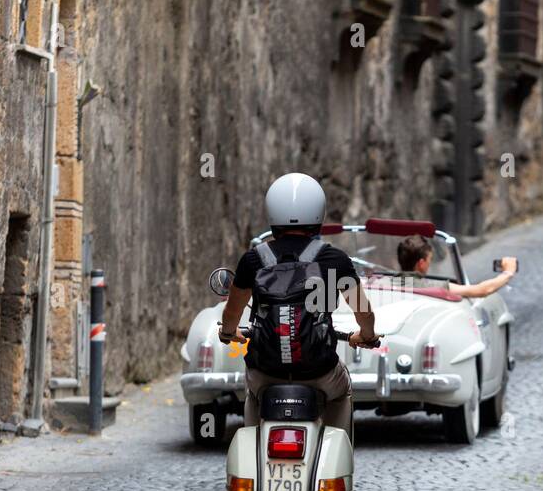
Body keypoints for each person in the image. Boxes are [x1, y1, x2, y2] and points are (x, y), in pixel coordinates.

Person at [219, 173, 380, 437]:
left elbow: (232, 313)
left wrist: (227, 333)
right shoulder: (335, 259)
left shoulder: (253, 260)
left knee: (253, 391)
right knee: (342, 393)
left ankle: (251, 448)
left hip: (266, 371)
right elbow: (363, 310)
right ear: (319, 214)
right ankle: (337, 457)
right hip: (320, 371)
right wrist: (367, 335)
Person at [395, 234, 518, 299]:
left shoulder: (384, 282)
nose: (429, 264)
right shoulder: (432, 287)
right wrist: (508, 273)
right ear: (421, 263)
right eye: (429, 260)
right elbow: (482, 290)